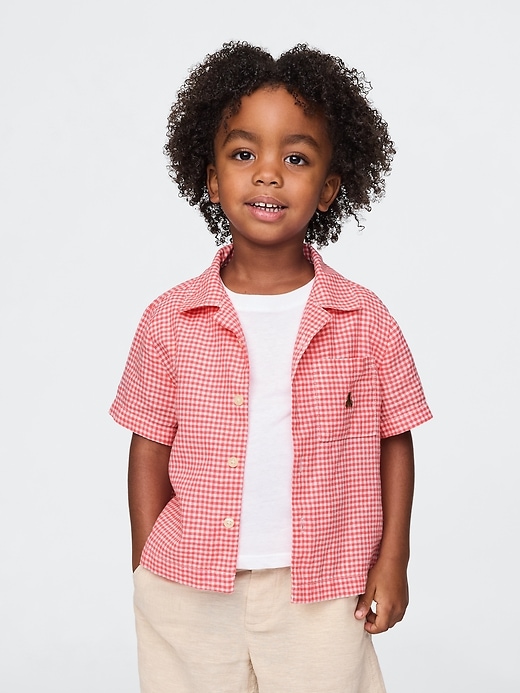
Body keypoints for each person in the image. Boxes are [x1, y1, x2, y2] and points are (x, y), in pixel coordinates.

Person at [110, 41, 432, 693]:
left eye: (296, 158)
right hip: (189, 585)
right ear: (211, 178)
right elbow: (149, 445)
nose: (267, 174)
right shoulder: (170, 319)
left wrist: (393, 556)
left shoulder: (363, 318)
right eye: (243, 154)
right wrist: (147, 561)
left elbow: (393, 437)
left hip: (323, 585)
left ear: (330, 188)